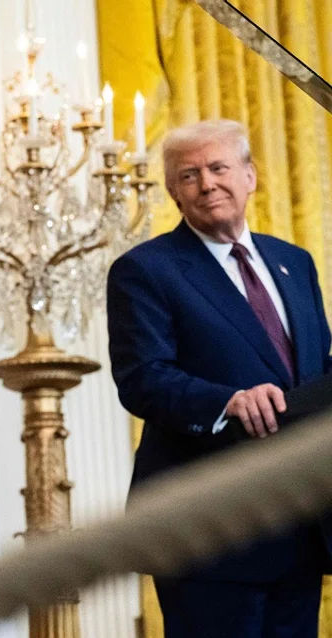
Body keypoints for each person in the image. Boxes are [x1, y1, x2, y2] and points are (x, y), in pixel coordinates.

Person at [107, 119, 332, 637]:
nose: (207, 183)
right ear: (173, 193)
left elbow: (316, 368)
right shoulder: (145, 270)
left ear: (250, 176)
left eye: (218, 167)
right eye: (189, 175)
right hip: (207, 530)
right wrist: (227, 401)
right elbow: (143, 377)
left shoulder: (294, 263)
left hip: (298, 521)